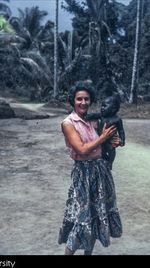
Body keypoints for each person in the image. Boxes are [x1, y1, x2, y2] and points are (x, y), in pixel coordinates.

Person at [58, 81, 123, 255]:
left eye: (86, 99)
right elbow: (82, 149)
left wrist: (114, 142)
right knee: (81, 217)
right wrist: (104, 138)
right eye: (79, 99)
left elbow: (109, 140)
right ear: (73, 101)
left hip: (101, 171)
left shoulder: (94, 121)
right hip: (83, 173)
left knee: (96, 216)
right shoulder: (68, 123)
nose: (83, 103)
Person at [86, 94, 125, 170]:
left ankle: (110, 163)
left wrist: (122, 140)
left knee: (111, 150)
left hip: (110, 141)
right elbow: (92, 115)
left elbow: (121, 131)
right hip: (100, 139)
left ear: (113, 109)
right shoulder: (101, 116)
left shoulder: (117, 120)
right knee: (101, 151)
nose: (102, 108)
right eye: (102, 106)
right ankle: (102, 159)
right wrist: (86, 116)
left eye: (105, 106)